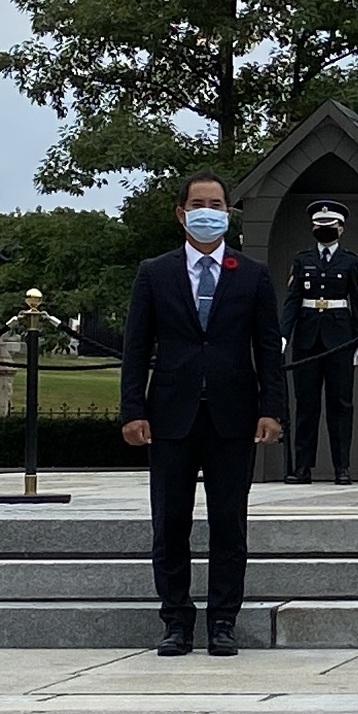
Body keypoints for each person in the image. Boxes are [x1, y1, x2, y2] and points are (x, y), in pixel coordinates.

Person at [118, 170, 285, 657]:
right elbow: (136, 347)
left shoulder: (252, 274)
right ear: (181, 213)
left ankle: (223, 621)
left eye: (216, 204)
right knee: (171, 522)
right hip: (171, 415)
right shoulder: (155, 273)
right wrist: (132, 409)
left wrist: (272, 409)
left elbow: (268, 350)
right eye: (198, 204)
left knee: (229, 523)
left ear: (228, 213)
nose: (207, 212)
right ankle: (175, 621)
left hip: (233, 416)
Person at [281, 198, 358, 486]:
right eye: (319, 225)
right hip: (307, 338)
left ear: (340, 228)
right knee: (306, 405)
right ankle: (302, 467)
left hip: (340, 338)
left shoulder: (350, 261)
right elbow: (293, 301)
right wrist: (284, 335)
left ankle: (342, 467)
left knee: (340, 404)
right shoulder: (302, 259)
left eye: (329, 225)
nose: (324, 230)